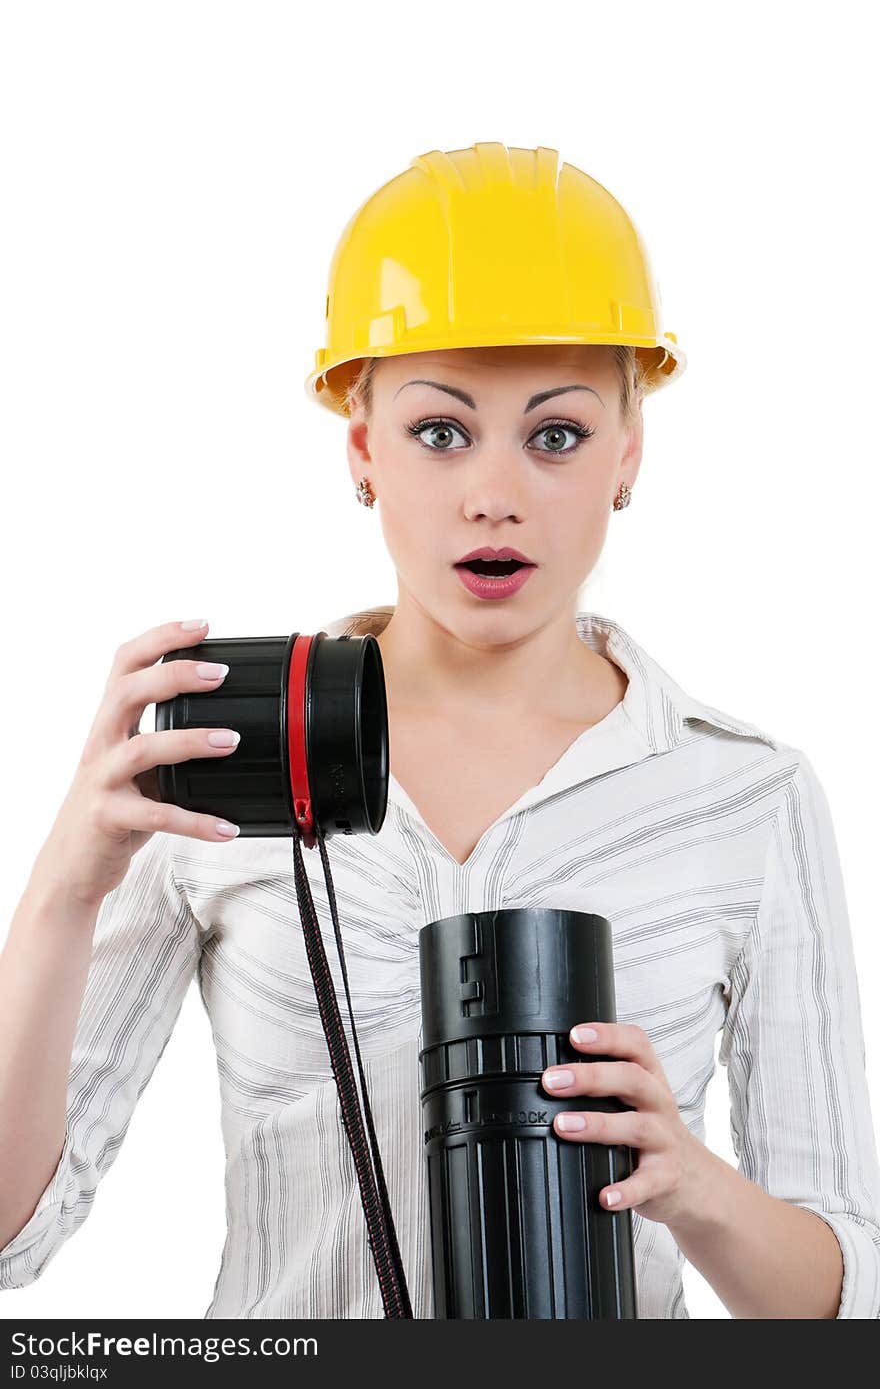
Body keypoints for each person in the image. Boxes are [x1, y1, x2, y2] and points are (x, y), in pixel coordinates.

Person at [1, 142, 879, 1319]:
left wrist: (692, 1184)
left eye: (556, 434)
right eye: (440, 431)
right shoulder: (222, 767)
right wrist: (67, 879)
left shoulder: (746, 796)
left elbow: (844, 1303)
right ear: (362, 449)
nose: (494, 493)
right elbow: (11, 1239)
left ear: (630, 452)